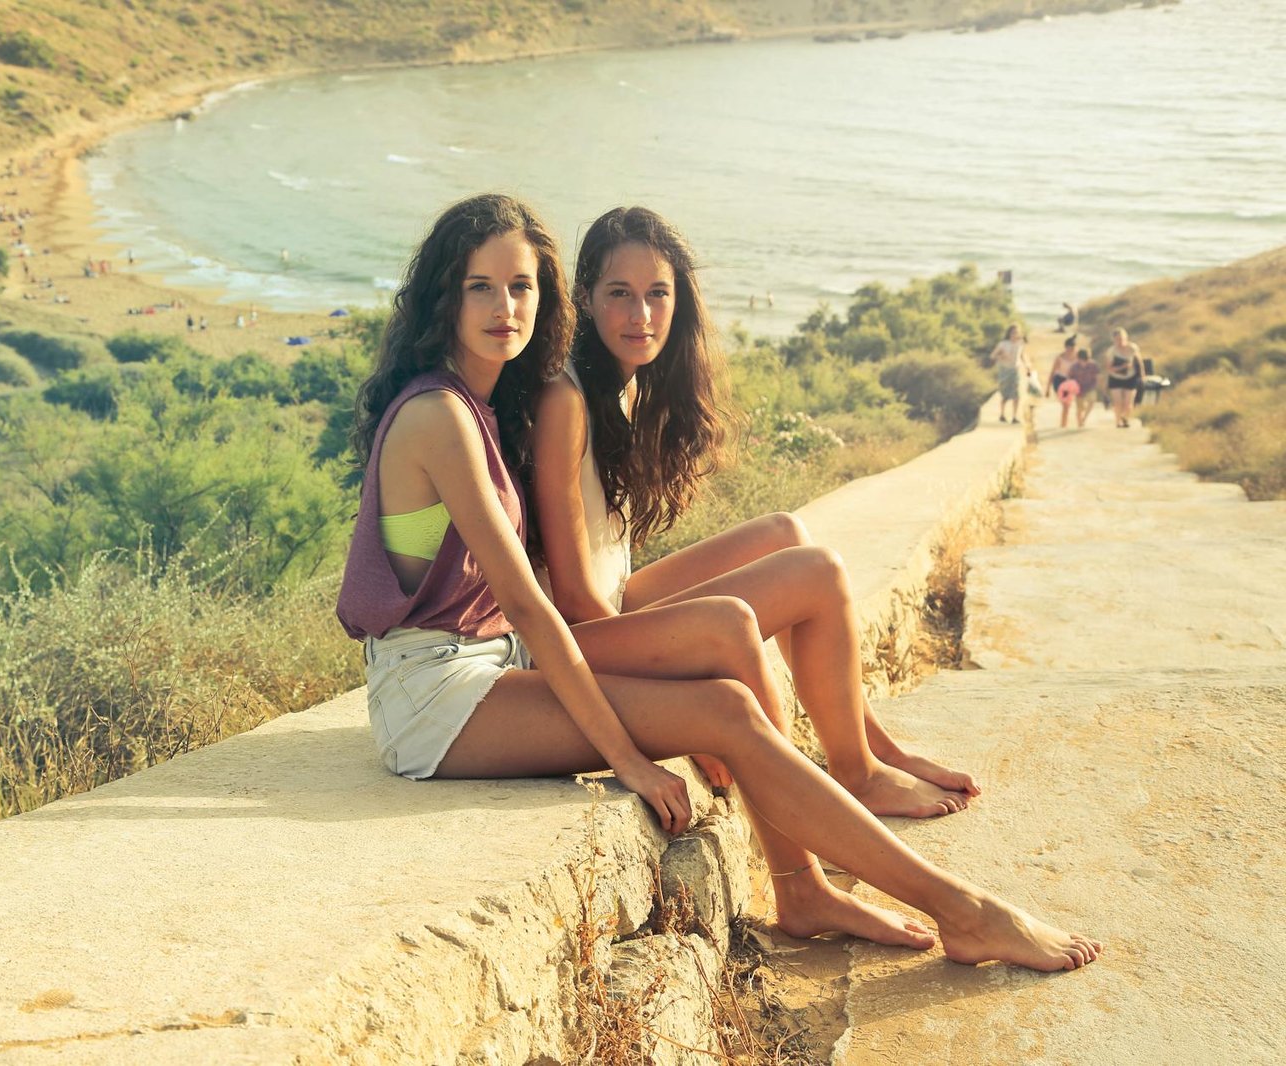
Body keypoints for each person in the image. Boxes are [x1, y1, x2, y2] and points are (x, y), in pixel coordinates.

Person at [335, 192, 1100, 970]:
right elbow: (533, 606)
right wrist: (628, 760)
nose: (506, 306)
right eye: (481, 286)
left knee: (729, 703)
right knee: (726, 683)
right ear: (445, 294)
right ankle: (959, 909)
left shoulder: (481, 405)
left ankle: (816, 882)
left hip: (485, 667)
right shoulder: (441, 416)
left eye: (522, 286)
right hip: (433, 698)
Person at [530, 205, 975, 827]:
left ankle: (871, 746)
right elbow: (573, 598)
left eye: (658, 294)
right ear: (585, 298)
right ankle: (856, 777)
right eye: (620, 295)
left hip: (613, 607)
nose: (641, 316)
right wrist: (689, 707)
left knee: (784, 534)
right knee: (814, 572)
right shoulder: (565, 399)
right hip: (572, 640)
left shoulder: (624, 384)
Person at [988, 324, 1029, 424]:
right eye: (1014, 332)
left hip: (1015, 370)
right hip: (1005, 370)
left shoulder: (1020, 344)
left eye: (1017, 332)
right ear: (1009, 333)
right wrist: (1001, 356)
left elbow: (1022, 355)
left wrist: (1028, 366)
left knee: (1017, 394)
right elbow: (992, 356)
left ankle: (1014, 416)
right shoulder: (1003, 344)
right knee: (1005, 394)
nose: (1015, 334)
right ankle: (1002, 414)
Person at [1105, 328, 1144, 429]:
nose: (1120, 341)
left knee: (1128, 402)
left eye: (1122, 338)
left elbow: (1139, 361)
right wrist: (1122, 367)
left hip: (1131, 377)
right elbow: (1109, 368)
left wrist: (1142, 376)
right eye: (1117, 339)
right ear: (1114, 340)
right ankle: (1118, 421)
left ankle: (1125, 418)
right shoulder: (1111, 351)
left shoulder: (1133, 348)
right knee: (1118, 402)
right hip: (1115, 378)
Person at [1068, 346, 1100, 428]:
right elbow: (1070, 377)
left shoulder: (1093, 365)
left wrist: (1097, 385)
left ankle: (1084, 419)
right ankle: (1079, 423)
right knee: (1080, 407)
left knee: (1092, 402)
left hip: (1090, 387)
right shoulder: (1074, 366)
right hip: (1079, 389)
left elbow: (1097, 376)